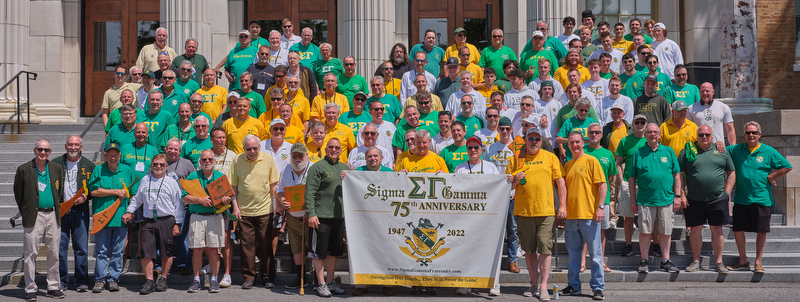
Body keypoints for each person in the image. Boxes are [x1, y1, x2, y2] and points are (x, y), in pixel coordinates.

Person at [505, 125, 564, 300]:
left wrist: (562, 206)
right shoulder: (516, 158)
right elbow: (507, 186)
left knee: (545, 249)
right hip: (523, 211)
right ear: (525, 140)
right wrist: (515, 180)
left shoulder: (550, 157)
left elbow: (560, 182)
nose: (534, 142)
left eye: (537, 139)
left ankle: (544, 286)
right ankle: (533, 284)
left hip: (546, 210)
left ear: (542, 140)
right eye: (530, 138)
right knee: (529, 250)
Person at [726, 121, 792, 274]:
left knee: (761, 231)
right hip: (742, 199)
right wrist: (718, 144)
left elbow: (787, 166)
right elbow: (720, 150)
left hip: (762, 198)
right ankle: (742, 260)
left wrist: (772, 176)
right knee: (738, 229)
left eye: (754, 132)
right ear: (744, 135)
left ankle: (758, 262)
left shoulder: (768, 151)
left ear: (759, 134)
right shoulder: (737, 149)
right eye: (748, 133)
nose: (751, 135)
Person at [121, 154, 183, 295]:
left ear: (166, 166)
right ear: (151, 165)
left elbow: (178, 205)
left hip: (166, 220)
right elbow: (138, 199)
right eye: (155, 164)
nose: (158, 167)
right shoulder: (145, 179)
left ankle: (163, 278)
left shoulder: (171, 182)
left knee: (167, 252)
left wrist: (177, 223)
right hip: (148, 221)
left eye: (161, 164)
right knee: (146, 252)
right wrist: (129, 211)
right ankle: (149, 281)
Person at [14, 139, 65, 300]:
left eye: (46, 150)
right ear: (34, 150)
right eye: (40, 149)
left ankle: (53, 286)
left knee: (54, 253)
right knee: (30, 253)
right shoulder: (23, 169)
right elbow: (18, 193)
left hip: (52, 215)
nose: (43, 152)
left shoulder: (56, 168)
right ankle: (30, 288)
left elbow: (60, 191)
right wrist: (25, 211)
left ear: (50, 152)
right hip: (34, 216)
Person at [680, 125, 735, 274]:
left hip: (717, 199)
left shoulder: (721, 151)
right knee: (695, 230)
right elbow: (679, 174)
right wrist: (682, 194)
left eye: (707, 135)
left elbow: (731, 172)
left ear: (712, 136)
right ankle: (696, 261)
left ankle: (719, 262)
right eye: (701, 135)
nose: (704, 137)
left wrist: (727, 193)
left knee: (717, 230)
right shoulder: (688, 151)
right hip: (694, 199)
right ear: (696, 136)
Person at [629, 123, 683, 274]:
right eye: (649, 132)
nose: (652, 134)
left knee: (666, 231)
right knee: (645, 231)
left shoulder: (668, 151)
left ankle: (665, 261)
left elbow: (676, 175)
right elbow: (632, 178)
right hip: (645, 199)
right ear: (645, 135)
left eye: (655, 132)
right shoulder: (638, 153)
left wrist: (677, 195)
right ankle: (644, 261)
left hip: (666, 199)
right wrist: (633, 200)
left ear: (660, 135)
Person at [560, 131, 607, 300]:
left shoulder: (591, 160)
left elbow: (602, 185)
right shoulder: (568, 164)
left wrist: (600, 207)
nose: (575, 145)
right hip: (572, 216)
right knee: (573, 254)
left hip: (589, 215)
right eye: (571, 143)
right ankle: (574, 286)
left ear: (583, 142)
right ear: (568, 145)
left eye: (577, 142)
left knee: (594, 255)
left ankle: (598, 288)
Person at [454, 136, 501, 297]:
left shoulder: (491, 167)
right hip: (466, 217)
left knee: (490, 249)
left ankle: (494, 283)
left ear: (481, 150)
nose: (473, 150)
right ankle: (465, 283)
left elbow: (499, 187)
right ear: (466, 150)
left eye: (476, 147)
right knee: (465, 250)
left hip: (488, 216)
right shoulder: (460, 168)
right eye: (470, 148)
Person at [230, 135, 279, 289]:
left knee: (265, 245)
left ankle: (267, 277)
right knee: (246, 246)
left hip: (265, 209)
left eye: (255, 148)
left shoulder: (268, 159)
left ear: (259, 147)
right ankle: (249, 277)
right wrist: (235, 207)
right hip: (244, 211)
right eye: (249, 149)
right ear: (244, 148)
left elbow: (274, 185)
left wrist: (277, 206)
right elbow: (234, 187)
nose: (252, 151)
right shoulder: (237, 160)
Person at [305, 138, 350, 297]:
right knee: (319, 253)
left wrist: (350, 177)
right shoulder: (317, 167)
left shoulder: (345, 168)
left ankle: (330, 281)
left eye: (337, 147)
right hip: (320, 217)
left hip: (338, 217)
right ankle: (321, 283)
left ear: (341, 150)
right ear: (326, 149)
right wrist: (311, 214)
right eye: (330, 147)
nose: (334, 149)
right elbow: (310, 192)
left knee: (333, 252)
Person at [88, 143, 135, 294]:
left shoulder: (127, 170)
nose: (113, 157)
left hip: (120, 218)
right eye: (110, 154)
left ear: (120, 156)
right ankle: (99, 279)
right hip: (102, 218)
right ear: (105, 156)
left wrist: (130, 212)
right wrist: (116, 192)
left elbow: (133, 193)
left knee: (117, 251)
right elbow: (94, 191)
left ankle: (113, 278)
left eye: (116, 155)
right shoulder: (98, 170)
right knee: (101, 251)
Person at [180, 150, 230, 293]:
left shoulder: (220, 177)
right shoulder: (193, 176)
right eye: (204, 159)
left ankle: (214, 280)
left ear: (214, 161)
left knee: (214, 250)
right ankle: (196, 280)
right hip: (197, 216)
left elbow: (227, 199)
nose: (207, 162)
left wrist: (225, 200)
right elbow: (184, 197)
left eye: (209, 159)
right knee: (197, 250)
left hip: (215, 216)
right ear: (200, 161)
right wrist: (199, 200)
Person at [54, 136, 96, 293]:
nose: (73, 147)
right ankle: (61, 281)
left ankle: (81, 281)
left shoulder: (89, 165)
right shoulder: (56, 163)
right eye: (70, 144)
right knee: (60, 248)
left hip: (80, 211)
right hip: (61, 210)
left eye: (76, 145)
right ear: (65, 146)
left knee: (81, 248)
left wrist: (87, 196)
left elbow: (94, 186)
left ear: (81, 147)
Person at [276, 143, 312, 289]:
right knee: (296, 248)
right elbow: (279, 190)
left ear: (306, 155)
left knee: (313, 247)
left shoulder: (313, 168)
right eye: (294, 155)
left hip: (309, 217)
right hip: (292, 216)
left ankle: (316, 278)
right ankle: (300, 277)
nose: (297, 158)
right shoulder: (286, 169)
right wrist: (283, 201)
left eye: (300, 155)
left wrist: (309, 212)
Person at [582, 123, 618, 271]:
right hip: (584, 198)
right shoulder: (582, 151)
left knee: (601, 231)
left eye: (597, 132)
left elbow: (610, 177)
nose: (594, 135)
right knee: (585, 231)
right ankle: (583, 262)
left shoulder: (608, 154)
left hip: (603, 199)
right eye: (591, 132)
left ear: (601, 135)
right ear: (587, 135)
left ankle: (601, 261)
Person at [614, 114, 648, 256]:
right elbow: (618, 162)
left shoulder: (650, 139)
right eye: (637, 122)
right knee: (628, 216)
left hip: (646, 184)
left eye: (642, 122)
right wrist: (621, 182)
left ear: (646, 124)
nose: (640, 124)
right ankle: (628, 244)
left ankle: (655, 244)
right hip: (629, 182)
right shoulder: (625, 141)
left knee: (648, 216)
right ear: (632, 124)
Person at [209, 127, 236, 287]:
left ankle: (227, 273)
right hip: (210, 202)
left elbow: (235, 180)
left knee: (226, 239)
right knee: (209, 238)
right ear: (211, 139)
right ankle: (212, 266)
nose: (221, 140)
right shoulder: (206, 155)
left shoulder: (232, 155)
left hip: (226, 202)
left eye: (223, 138)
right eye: (218, 138)